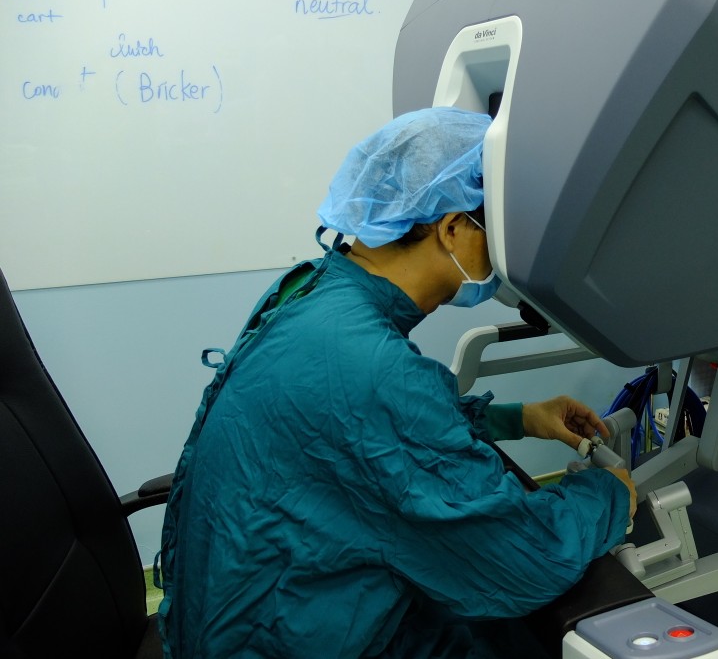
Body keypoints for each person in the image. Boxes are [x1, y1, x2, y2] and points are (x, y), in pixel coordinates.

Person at [156, 106, 637, 659]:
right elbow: (525, 559)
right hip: (281, 632)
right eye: (498, 225)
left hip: (229, 607)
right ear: (453, 227)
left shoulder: (313, 290)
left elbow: (354, 431)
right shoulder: (375, 370)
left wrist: (518, 417)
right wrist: (608, 496)